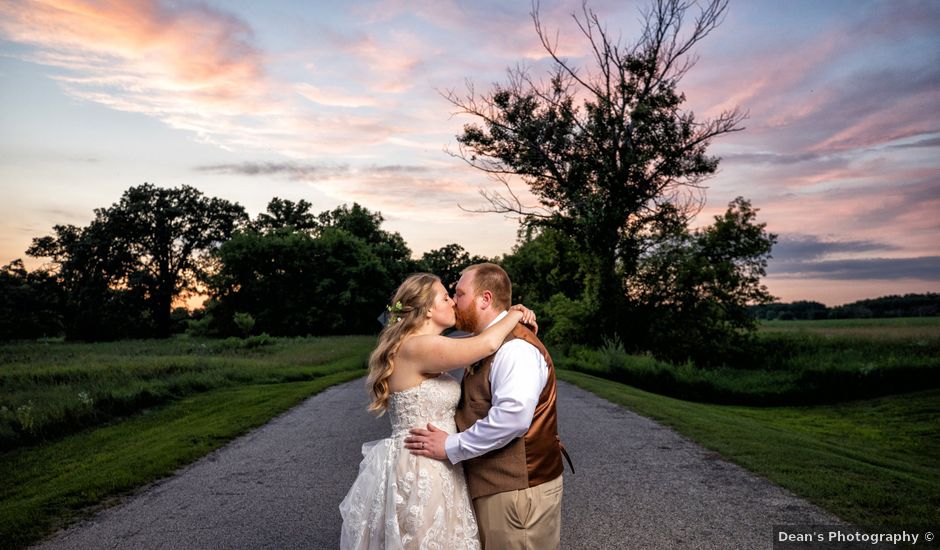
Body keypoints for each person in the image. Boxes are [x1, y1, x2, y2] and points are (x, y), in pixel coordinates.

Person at [339, 272, 537, 550]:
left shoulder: (413, 344)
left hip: (433, 460)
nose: (454, 302)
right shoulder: (419, 346)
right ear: (429, 308)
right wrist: (514, 313)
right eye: (446, 297)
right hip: (423, 468)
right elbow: (487, 344)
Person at [404, 263, 570, 550]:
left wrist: (450, 446)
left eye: (460, 293)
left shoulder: (516, 348)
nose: (455, 301)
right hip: (495, 489)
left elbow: (513, 418)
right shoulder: (484, 342)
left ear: (485, 299)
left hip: (517, 492)